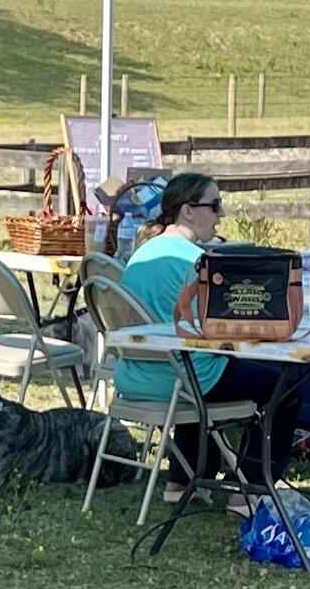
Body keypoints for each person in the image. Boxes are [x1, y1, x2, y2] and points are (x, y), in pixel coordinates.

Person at [117, 172, 299, 487]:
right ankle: (253, 488)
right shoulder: (202, 264)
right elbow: (237, 325)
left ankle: (183, 479)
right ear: (188, 210)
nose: (222, 214)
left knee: (196, 357)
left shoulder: (141, 254)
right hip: (184, 380)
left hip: (134, 375)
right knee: (287, 384)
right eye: (215, 205)